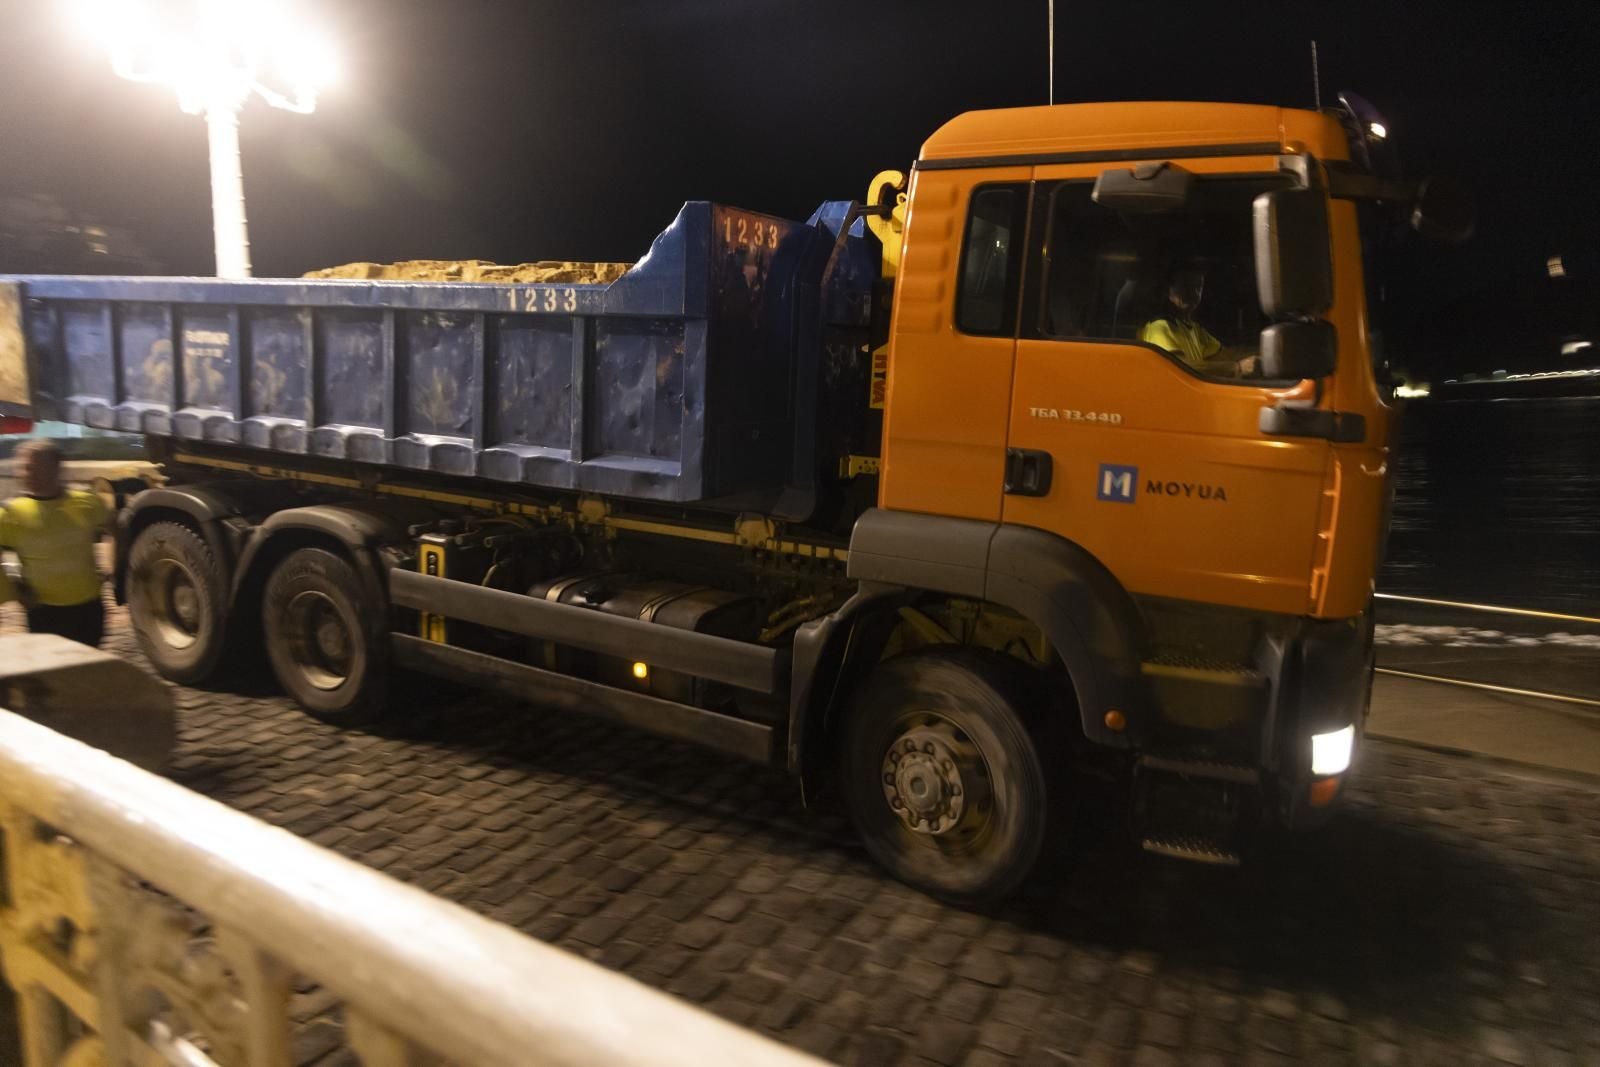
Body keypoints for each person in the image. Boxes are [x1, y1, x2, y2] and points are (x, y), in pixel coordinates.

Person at [0, 439, 111, 647]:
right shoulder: (11, 513)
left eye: (32, 467)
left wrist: (113, 565)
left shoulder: (86, 502)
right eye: (23, 468)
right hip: (44, 611)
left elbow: (113, 526)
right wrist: (15, 588)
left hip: (89, 607)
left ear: (56, 468)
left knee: (90, 667)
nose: (25, 474)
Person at [1139, 263, 1258, 378]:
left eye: (1198, 286)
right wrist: (1236, 367)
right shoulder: (1160, 326)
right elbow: (1178, 367)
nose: (1193, 292)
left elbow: (1224, 355)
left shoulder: (1193, 328)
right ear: (1167, 289)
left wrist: (1260, 356)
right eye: (1185, 285)